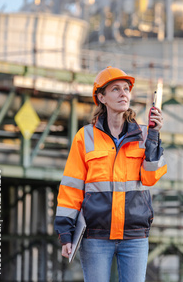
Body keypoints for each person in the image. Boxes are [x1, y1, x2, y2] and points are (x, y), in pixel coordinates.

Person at [54, 66, 167, 282]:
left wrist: (154, 137)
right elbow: (71, 188)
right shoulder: (85, 137)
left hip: (134, 237)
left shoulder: (144, 135)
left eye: (126, 89)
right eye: (115, 89)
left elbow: (150, 177)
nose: (123, 93)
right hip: (96, 236)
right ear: (101, 97)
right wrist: (66, 234)